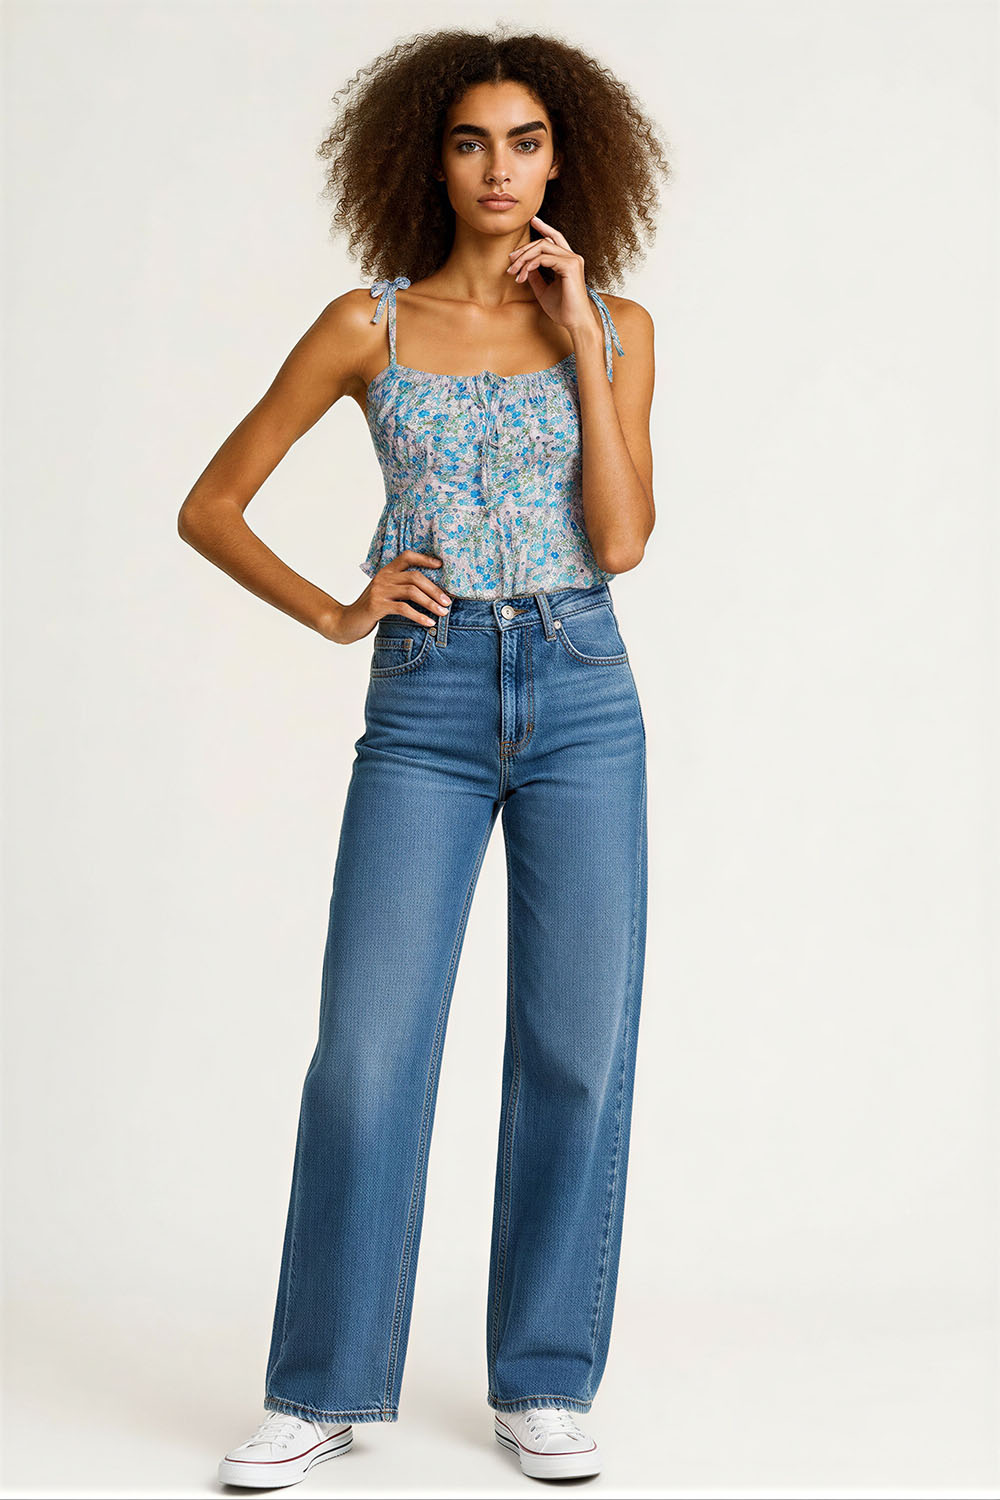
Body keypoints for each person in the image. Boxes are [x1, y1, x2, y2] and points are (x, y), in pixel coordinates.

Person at [178, 26, 670, 1488]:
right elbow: (212, 505)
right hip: (428, 703)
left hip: (583, 689)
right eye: (470, 142)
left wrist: (582, 343)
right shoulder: (368, 325)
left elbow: (624, 540)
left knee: (577, 1050)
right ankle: (322, 1385)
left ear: (564, 161)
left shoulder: (622, 327)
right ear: (428, 161)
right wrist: (341, 610)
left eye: (525, 142)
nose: (498, 170)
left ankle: (546, 1381)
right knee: (368, 1052)